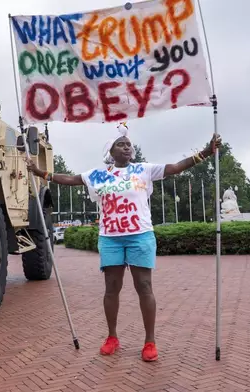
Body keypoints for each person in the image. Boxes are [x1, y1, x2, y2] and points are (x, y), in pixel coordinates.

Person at [25, 123, 221, 362]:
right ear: (111, 151)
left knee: (144, 287)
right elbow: (70, 179)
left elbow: (175, 168)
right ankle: (112, 337)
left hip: (140, 236)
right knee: (111, 289)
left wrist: (205, 152)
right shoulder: (99, 175)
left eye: (129, 144)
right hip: (110, 238)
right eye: (121, 144)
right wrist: (40, 173)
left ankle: (150, 341)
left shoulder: (143, 170)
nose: (127, 147)